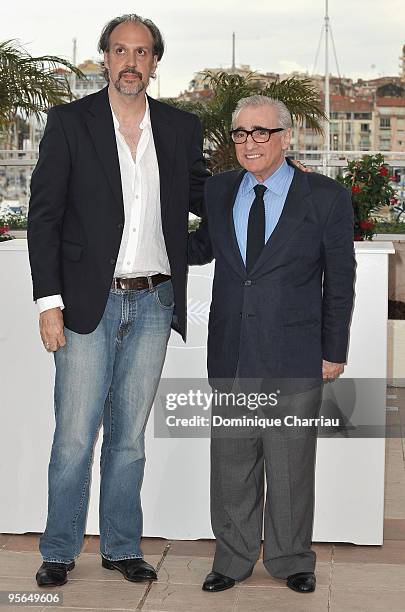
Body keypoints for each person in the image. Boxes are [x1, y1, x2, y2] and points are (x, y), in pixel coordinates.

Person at [27, 13, 209, 587]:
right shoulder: (69, 122)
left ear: (156, 61)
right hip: (85, 303)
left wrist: (201, 244)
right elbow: (45, 216)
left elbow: (208, 197)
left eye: (143, 51)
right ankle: (58, 551)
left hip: (154, 302)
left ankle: (122, 547)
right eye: (120, 50)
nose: (131, 62)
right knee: (75, 436)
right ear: (104, 58)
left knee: (129, 438)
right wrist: (47, 301)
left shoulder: (181, 127)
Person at [188, 95, 355, 594]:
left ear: (284, 137)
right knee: (232, 467)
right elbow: (200, 248)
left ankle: (290, 559)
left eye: (260, 132)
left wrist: (333, 350)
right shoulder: (219, 191)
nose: (249, 143)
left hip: (296, 354)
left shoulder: (325, 197)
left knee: (290, 467)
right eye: (241, 134)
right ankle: (232, 559)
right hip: (233, 351)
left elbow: (339, 281)